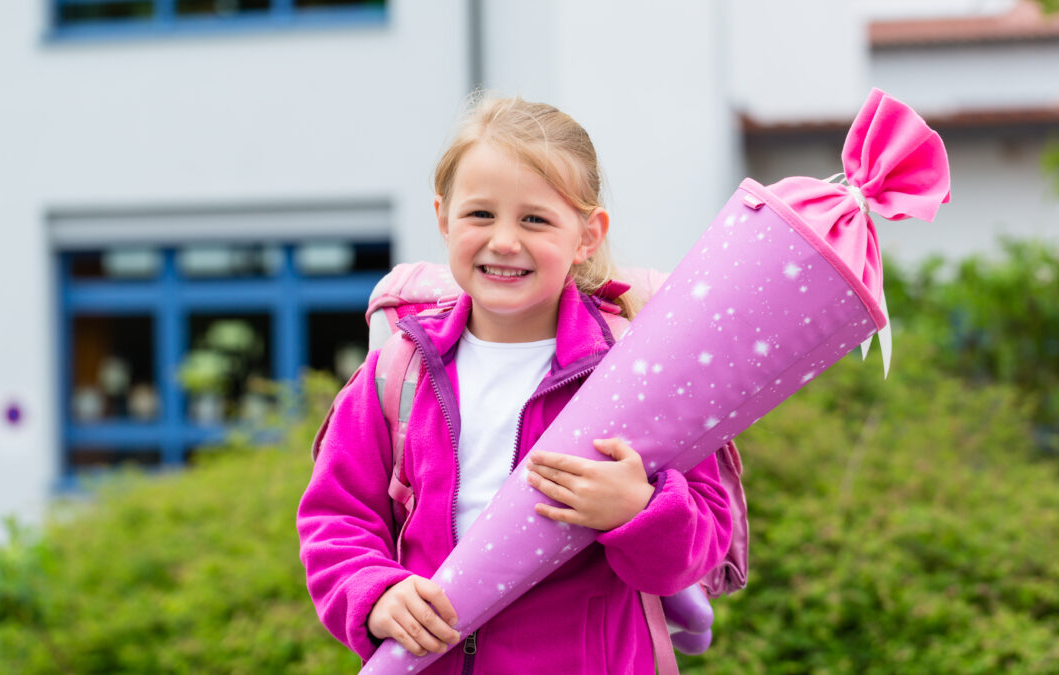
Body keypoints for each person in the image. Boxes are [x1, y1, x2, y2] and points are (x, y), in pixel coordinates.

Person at [297, 94, 734, 674]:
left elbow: (700, 544)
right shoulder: (395, 371)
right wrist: (373, 594)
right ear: (443, 219)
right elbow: (336, 518)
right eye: (480, 215)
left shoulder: (637, 372)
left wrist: (636, 509)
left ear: (587, 235)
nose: (504, 240)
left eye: (534, 219)